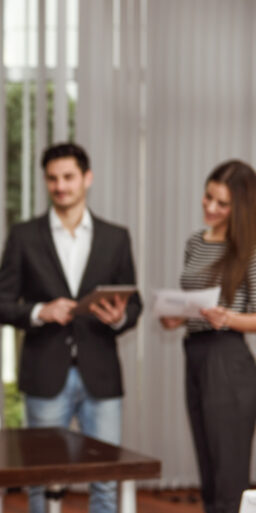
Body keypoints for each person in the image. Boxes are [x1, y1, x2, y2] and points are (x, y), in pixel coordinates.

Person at [0, 142, 142, 513]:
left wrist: (118, 316)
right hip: (45, 374)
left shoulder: (115, 237)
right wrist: (41, 311)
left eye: (69, 177)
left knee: (105, 480)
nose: (60, 186)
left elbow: (133, 305)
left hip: (101, 375)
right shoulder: (24, 236)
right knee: (41, 478)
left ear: (87, 179)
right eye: (53, 179)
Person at [160, 160, 256, 513]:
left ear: (241, 207)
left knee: (229, 474)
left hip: (228, 361)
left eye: (222, 203)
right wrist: (177, 319)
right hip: (196, 354)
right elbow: (194, 304)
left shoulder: (250, 249)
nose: (210, 207)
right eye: (207, 197)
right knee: (209, 469)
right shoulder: (195, 242)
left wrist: (228, 318)